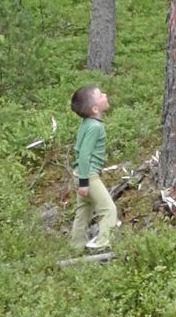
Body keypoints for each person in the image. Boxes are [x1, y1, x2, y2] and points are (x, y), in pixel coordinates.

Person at [70, 84, 118, 251]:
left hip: (80, 173)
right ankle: (103, 246)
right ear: (95, 108)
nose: (105, 94)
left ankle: (76, 247)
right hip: (87, 175)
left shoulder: (87, 123)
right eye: (100, 95)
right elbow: (84, 155)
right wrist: (84, 182)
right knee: (108, 210)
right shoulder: (95, 127)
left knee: (83, 212)